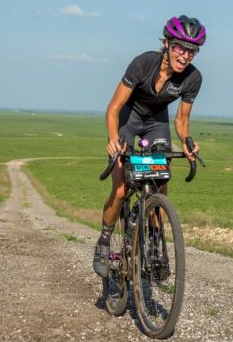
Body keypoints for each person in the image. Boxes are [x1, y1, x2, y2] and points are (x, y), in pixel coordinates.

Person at [93, 15, 207, 277]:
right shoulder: (143, 63)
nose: (185, 55)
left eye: (192, 50)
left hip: (157, 123)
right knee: (121, 190)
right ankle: (103, 242)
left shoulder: (193, 78)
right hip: (128, 119)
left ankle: (154, 245)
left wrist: (187, 142)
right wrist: (113, 140)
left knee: (161, 185)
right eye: (180, 47)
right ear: (166, 43)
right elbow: (113, 108)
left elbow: (182, 119)